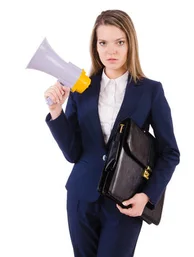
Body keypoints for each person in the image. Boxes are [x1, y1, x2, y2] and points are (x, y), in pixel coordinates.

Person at [44, 9, 180, 257]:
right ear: (95, 47)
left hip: (125, 203)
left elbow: (170, 152)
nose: (111, 51)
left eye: (119, 42)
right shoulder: (80, 88)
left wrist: (147, 196)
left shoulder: (151, 91)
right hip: (81, 198)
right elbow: (73, 153)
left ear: (130, 44)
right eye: (103, 43)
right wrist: (56, 112)